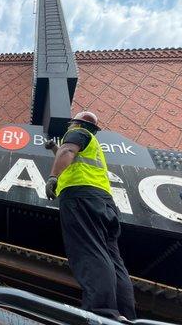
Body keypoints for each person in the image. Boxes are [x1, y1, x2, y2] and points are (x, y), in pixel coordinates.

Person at [44, 111, 136, 321]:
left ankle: (101, 312)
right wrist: (53, 149)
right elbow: (69, 156)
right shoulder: (91, 143)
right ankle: (125, 314)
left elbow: (68, 150)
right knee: (113, 259)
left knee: (89, 251)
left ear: (74, 124)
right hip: (103, 203)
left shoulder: (78, 133)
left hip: (81, 199)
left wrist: (52, 177)